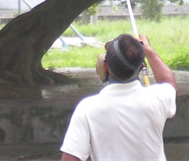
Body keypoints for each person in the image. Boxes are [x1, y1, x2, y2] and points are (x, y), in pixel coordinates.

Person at [60, 33, 178, 161]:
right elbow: (169, 84)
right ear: (141, 66)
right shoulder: (158, 98)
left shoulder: (87, 108)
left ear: (104, 67)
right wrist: (149, 52)